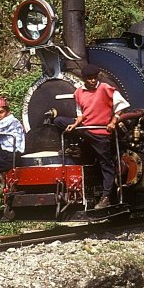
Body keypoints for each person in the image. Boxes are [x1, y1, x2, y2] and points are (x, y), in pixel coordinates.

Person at [54, 63, 131, 209]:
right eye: (90, 78)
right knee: (59, 121)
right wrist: (75, 125)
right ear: (84, 79)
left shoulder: (106, 89)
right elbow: (80, 114)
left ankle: (107, 196)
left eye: (95, 78)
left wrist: (113, 122)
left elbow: (122, 106)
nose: (93, 80)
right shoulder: (78, 93)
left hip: (100, 131)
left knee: (106, 164)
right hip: (85, 128)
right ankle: (74, 147)